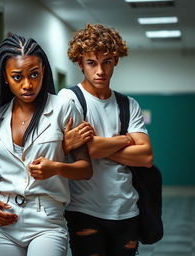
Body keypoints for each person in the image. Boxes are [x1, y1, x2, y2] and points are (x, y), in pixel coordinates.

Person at [0, 34, 92, 256]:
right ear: (5, 77)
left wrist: (55, 167)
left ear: (43, 71)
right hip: (1, 221)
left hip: (46, 221)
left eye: (34, 75)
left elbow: (85, 170)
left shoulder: (63, 108)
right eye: (17, 77)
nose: (27, 84)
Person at [59, 24, 153, 256]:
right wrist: (124, 139)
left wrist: (94, 147)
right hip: (84, 209)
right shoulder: (69, 99)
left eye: (107, 61)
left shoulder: (128, 104)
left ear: (116, 61)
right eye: (92, 63)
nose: (100, 70)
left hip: (126, 210)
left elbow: (146, 156)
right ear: (80, 63)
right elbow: (83, 150)